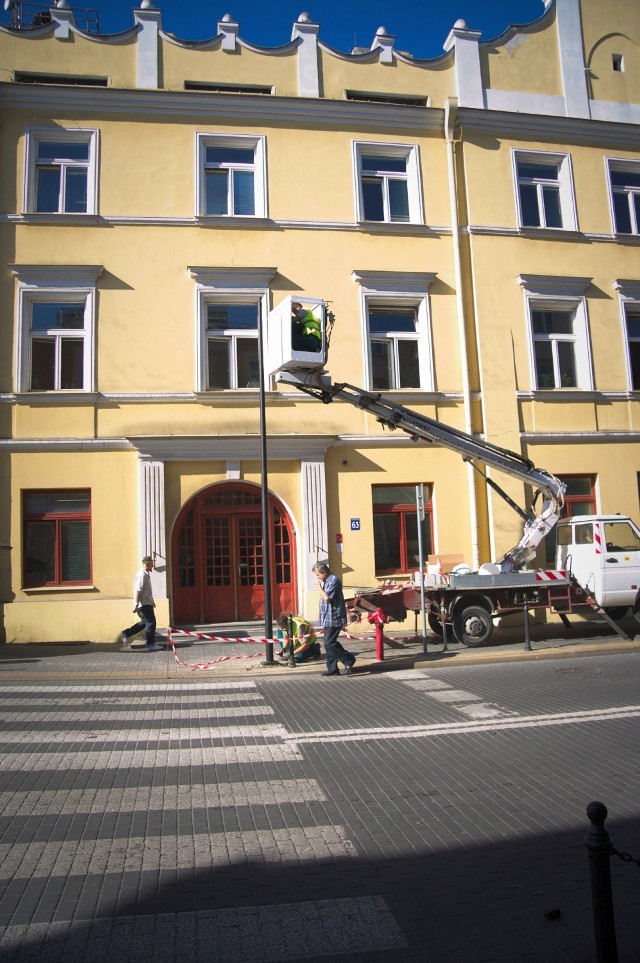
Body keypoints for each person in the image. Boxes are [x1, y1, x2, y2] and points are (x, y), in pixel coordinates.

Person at [312, 561, 356, 676]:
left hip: (334, 616)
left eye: (318, 575)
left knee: (329, 642)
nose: (317, 578)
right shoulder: (326, 581)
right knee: (327, 644)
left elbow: (327, 598)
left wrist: (319, 588)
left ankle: (348, 659)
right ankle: (332, 669)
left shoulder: (334, 580)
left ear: (324, 573)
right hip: (327, 616)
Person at [119, 555, 162, 652]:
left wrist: (152, 602)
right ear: (147, 564)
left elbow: (145, 591)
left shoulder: (145, 574)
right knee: (151, 622)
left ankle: (126, 633)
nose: (153, 566)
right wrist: (136, 604)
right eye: (151, 564)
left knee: (144, 623)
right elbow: (138, 590)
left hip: (146, 603)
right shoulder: (142, 575)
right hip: (144, 605)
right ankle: (151, 644)